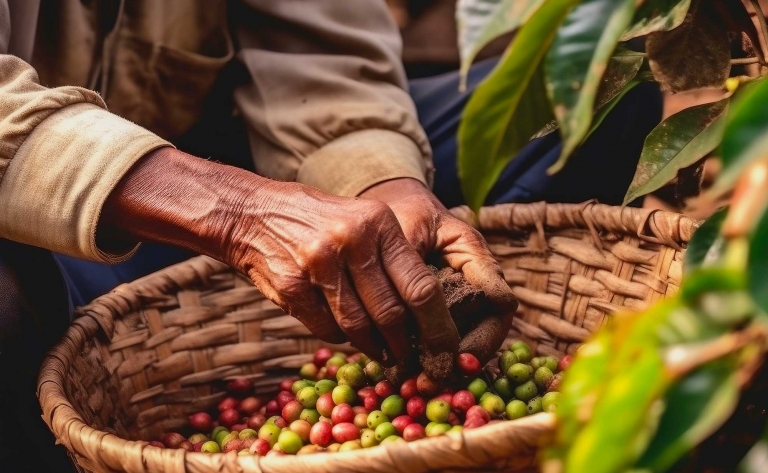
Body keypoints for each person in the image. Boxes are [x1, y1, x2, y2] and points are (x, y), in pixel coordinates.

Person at [0, 1, 662, 471]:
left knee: (595, 92)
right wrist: (237, 215)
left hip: (241, 157)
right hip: (44, 217)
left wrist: (381, 186)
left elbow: (323, 53)